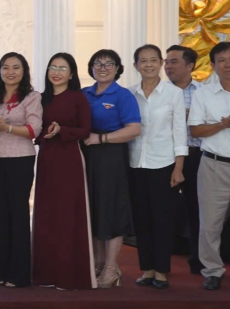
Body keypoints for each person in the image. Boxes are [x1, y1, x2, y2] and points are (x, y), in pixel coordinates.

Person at [32, 53, 95, 290]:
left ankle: (69, 275)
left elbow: (85, 129)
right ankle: (45, 274)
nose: (56, 72)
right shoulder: (40, 98)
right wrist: (43, 135)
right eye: (52, 67)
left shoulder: (78, 97)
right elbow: (35, 129)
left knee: (69, 215)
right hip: (47, 159)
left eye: (62, 68)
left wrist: (62, 130)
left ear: (71, 74)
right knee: (46, 214)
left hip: (70, 159)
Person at [82, 49, 142, 288]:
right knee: (94, 209)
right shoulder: (84, 93)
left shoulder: (123, 95)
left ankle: (111, 267)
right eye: (98, 63)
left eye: (109, 64)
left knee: (111, 210)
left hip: (112, 156)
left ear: (118, 68)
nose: (103, 67)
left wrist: (102, 139)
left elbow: (134, 129)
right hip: (87, 156)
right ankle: (97, 263)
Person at [129, 44, 187, 290]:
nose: (149, 65)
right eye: (143, 61)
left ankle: (162, 270)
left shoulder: (173, 94)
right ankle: (147, 268)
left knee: (162, 219)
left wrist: (178, 167)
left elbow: (179, 133)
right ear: (136, 66)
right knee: (141, 220)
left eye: (153, 60)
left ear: (161, 63)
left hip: (164, 165)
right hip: (135, 164)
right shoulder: (129, 94)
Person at [0, 52, 42, 288]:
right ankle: (0, 272)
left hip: (21, 159)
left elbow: (34, 129)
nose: (10, 72)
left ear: (24, 71)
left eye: (16, 67)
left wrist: (6, 127)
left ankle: (18, 274)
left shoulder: (32, 97)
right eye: (5, 67)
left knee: (17, 215)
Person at [188, 41, 230, 291]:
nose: (228, 64)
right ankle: (213, 270)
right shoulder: (203, 93)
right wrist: (222, 125)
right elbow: (195, 129)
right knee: (210, 224)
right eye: (222, 60)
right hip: (214, 165)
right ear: (213, 65)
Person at [164, 45, 203, 274]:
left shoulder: (204, 92)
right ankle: (160, 263)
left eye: (174, 61)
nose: (168, 66)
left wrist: (188, 116)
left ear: (190, 66)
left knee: (197, 209)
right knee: (162, 209)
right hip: (165, 157)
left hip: (196, 156)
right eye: (167, 62)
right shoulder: (160, 92)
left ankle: (198, 259)